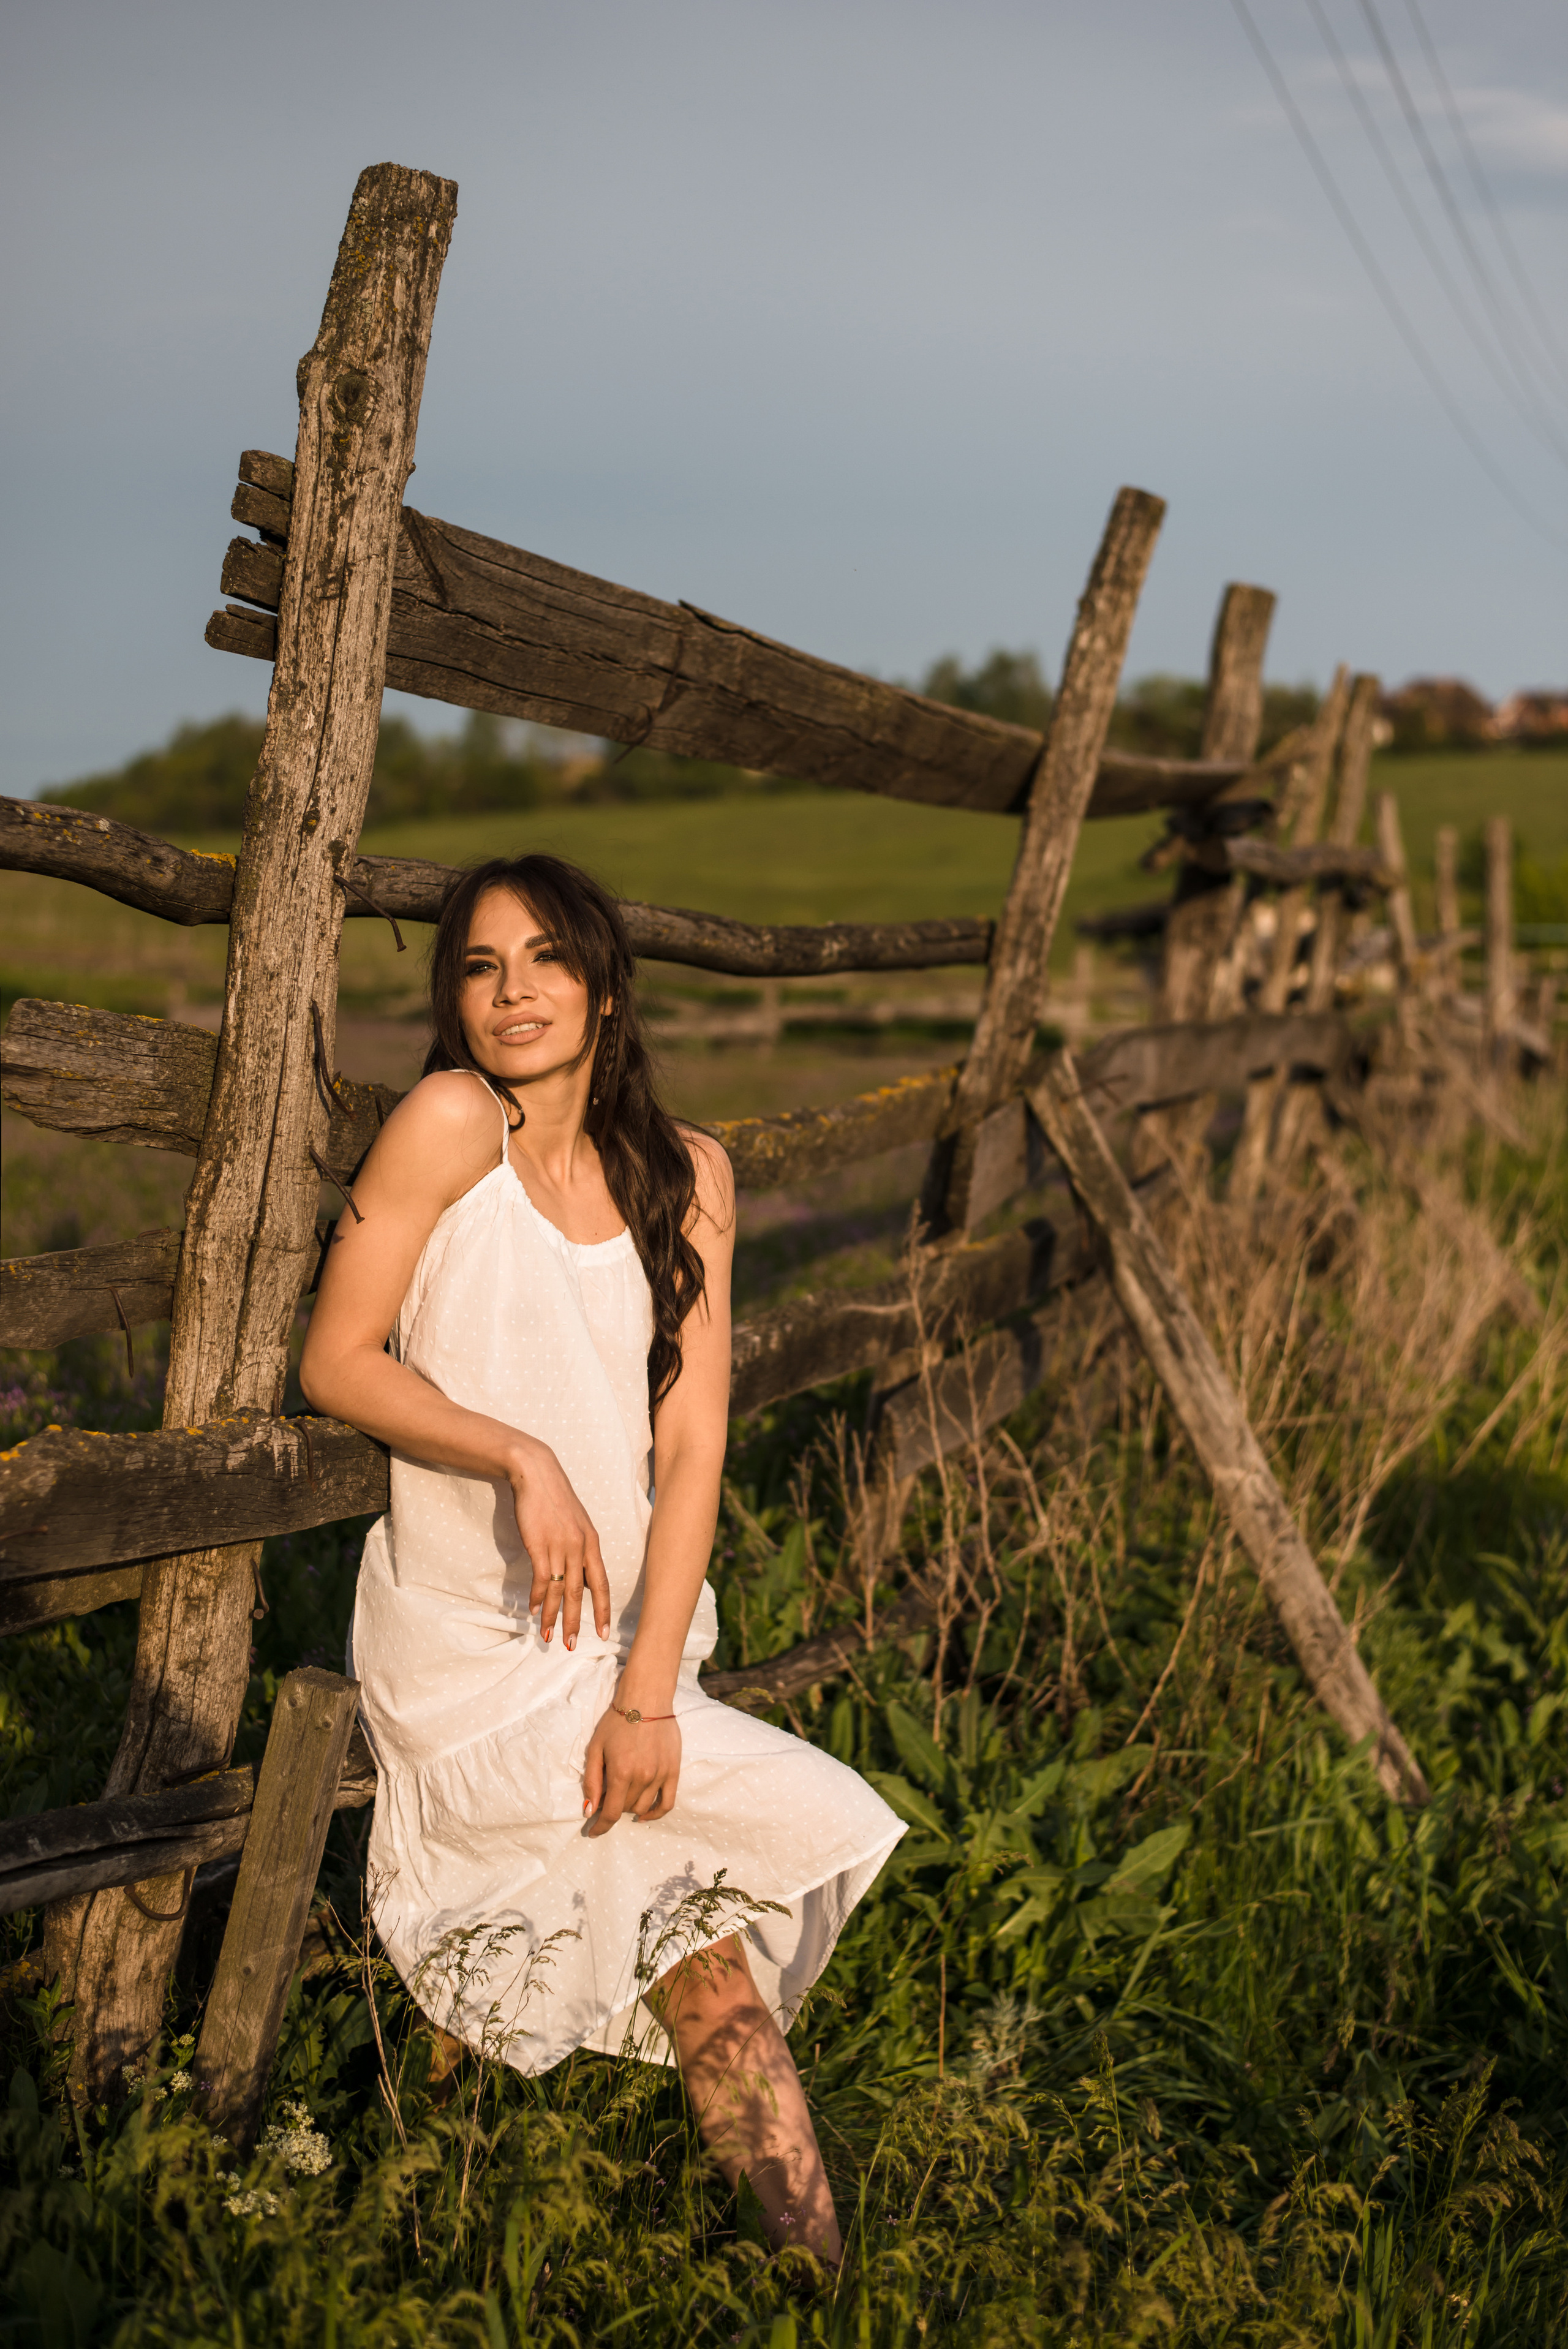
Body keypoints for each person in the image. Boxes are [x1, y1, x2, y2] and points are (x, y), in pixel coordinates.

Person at [300, 853, 903, 2260]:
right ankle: (804, 2268)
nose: (512, 992)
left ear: (607, 987)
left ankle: (809, 2273)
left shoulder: (689, 1175)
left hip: (627, 1642)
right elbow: (335, 1360)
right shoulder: (451, 1123)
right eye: (478, 966)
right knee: (690, 1949)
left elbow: (694, 1450)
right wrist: (521, 1454)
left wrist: (645, 1688)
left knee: (695, 1936)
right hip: (466, 1639)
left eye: (545, 959)